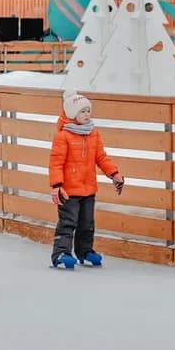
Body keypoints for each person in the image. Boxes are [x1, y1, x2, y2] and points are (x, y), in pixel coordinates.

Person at [47, 91, 124, 269]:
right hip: (68, 191)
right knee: (68, 223)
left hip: (88, 189)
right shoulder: (63, 136)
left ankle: (85, 251)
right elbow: (56, 163)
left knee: (87, 223)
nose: (87, 114)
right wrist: (57, 185)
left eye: (88, 110)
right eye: (82, 111)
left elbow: (101, 157)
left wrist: (114, 174)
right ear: (72, 114)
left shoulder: (93, 134)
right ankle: (61, 253)